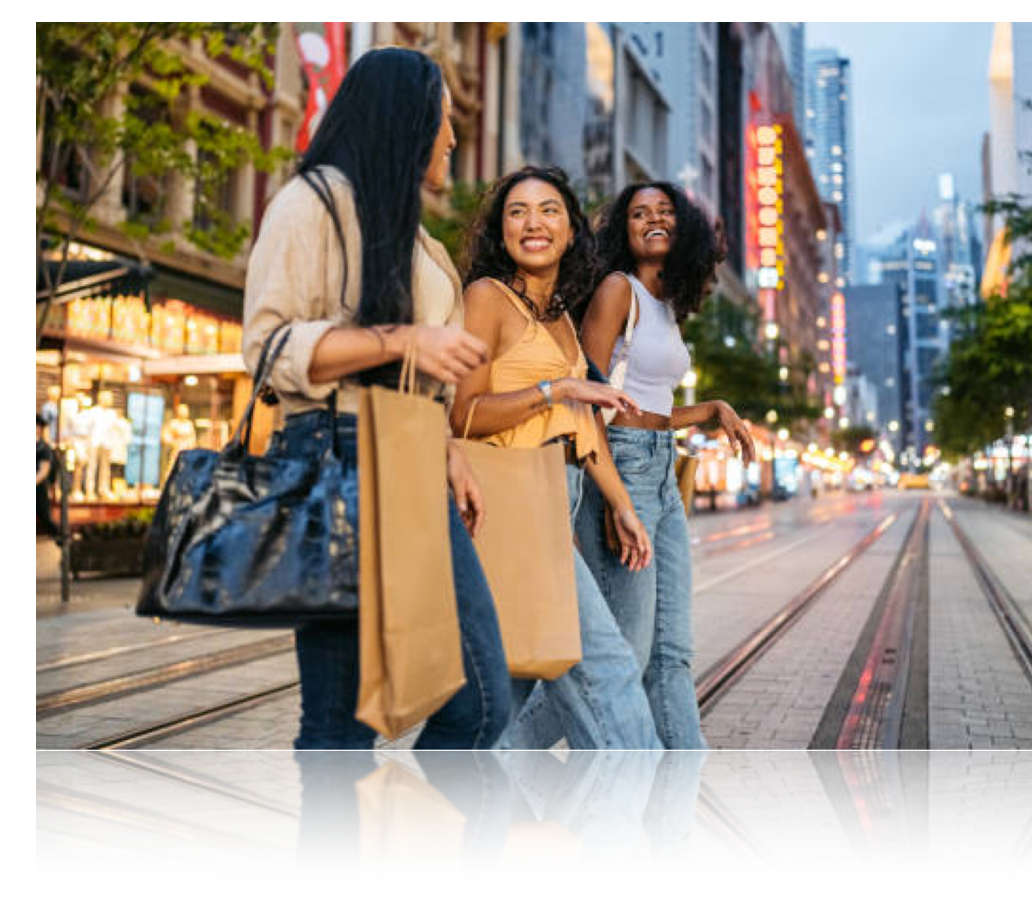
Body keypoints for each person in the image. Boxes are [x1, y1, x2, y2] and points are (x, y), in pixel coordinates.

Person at [242, 47, 511, 879]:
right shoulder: (311, 203)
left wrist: (449, 452)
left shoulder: (418, 238)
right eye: (443, 119)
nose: (455, 136)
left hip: (411, 467)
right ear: (406, 119)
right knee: (339, 737)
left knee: (479, 715)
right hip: (334, 461)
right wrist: (405, 338)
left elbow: (421, 378)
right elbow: (268, 346)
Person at [450, 166, 663, 877]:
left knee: (497, 713)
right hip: (510, 506)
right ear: (501, 228)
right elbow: (462, 413)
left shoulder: (562, 319)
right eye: (517, 211)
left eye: (548, 210)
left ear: (573, 228)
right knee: (619, 703)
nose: (533, 223)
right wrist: (552, 388)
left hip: (558, 500)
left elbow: (587, 430)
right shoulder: (486, 299)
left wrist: (624, 506)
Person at [572, 181, 755, 880]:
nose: (654, 221)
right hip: (620, 469)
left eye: (666, 215)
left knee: (672, 655)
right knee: (629, 661)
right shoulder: (616, 288)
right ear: (624, 227)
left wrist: (710, 405)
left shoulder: (666, 303)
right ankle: (613, 851)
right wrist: (616, 498)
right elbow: (591, 400)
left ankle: (669, 855)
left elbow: (650, 406)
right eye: (640, 213)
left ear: (685, 234)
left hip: (660, 467)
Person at [36, 414, 61, 542]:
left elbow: (44, 471)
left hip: (39, 489)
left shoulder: (43, 448)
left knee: (45, 517)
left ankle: (61, 538)